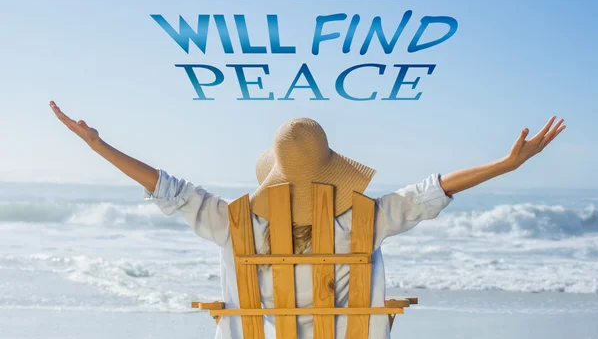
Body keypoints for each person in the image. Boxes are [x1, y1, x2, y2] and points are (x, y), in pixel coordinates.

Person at [49, 101, 565, 339]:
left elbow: (164, 187)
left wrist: (98, 145)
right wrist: (505, 164)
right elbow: (435, 190)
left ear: (271, 175)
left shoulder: (230, 221)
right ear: (332, 174)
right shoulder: (365, 218)